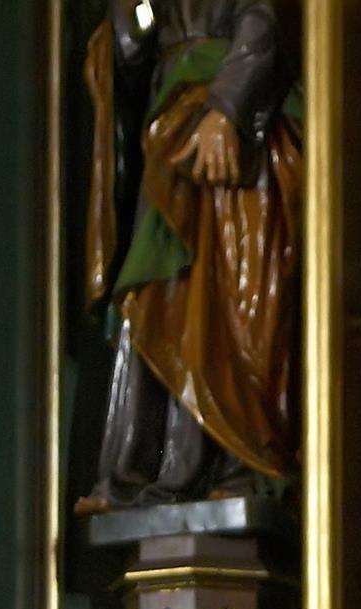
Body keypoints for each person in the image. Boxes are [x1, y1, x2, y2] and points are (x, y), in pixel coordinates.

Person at [84, 0, 301, 508]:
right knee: (157, 290)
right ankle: (142, 465)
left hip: (237, 127)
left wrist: (227, 109)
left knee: (228, 294)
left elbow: (263, 20)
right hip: (169, 123)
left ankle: (233, 459)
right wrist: (132, 17)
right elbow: (131, 52)